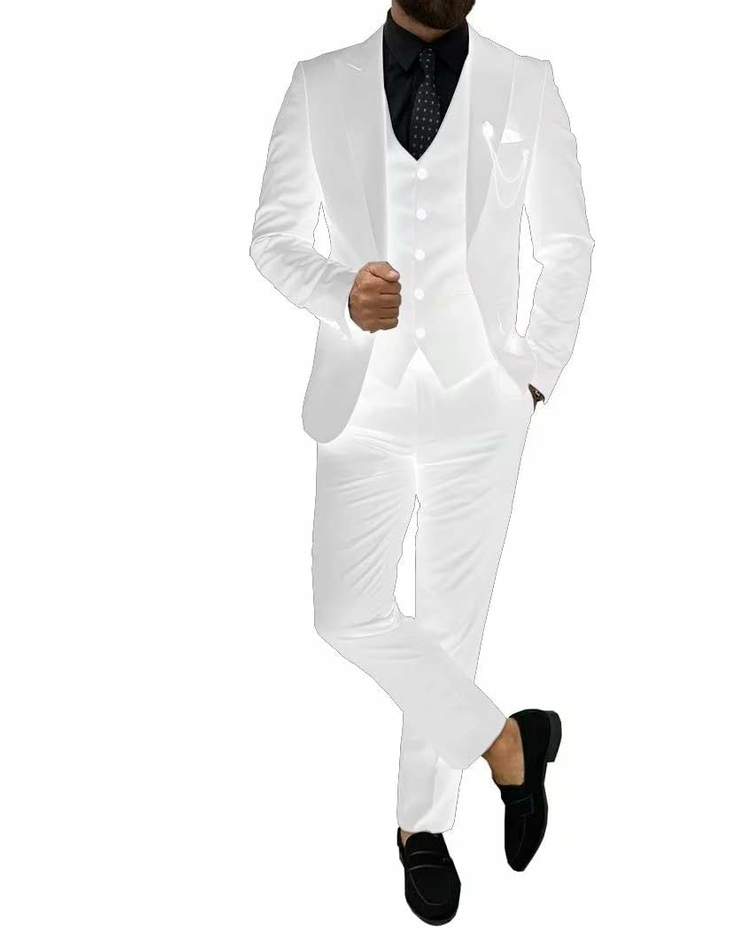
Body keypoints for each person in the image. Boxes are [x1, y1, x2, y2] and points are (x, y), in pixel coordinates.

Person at [250, 0, 592, 922]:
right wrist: (338, 292)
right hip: (363, 399)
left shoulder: (527, 83)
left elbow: (568, 244)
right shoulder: (320, 84)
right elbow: (272, 237)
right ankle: (510, 744)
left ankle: (421, 827)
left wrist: (533, 375)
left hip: (482, 404)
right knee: (344, 611)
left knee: (449, 626)